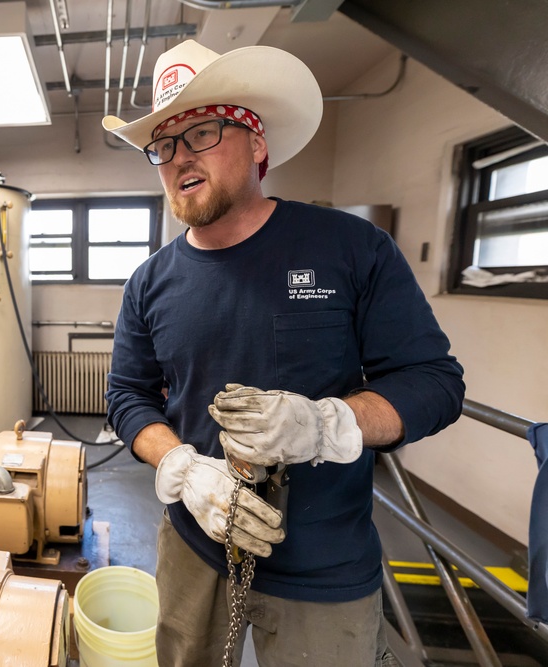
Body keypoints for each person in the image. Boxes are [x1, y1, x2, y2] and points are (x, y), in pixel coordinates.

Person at [103, 39, 465, 666]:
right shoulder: (150, 282)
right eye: (163, 145)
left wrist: (329, 424)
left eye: (203, 132)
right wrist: (184, 471)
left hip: (323, 565)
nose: (178, 157)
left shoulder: (351, 249)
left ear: (257, 143)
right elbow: (128, 397)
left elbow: (433, 381)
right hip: (196, 543)